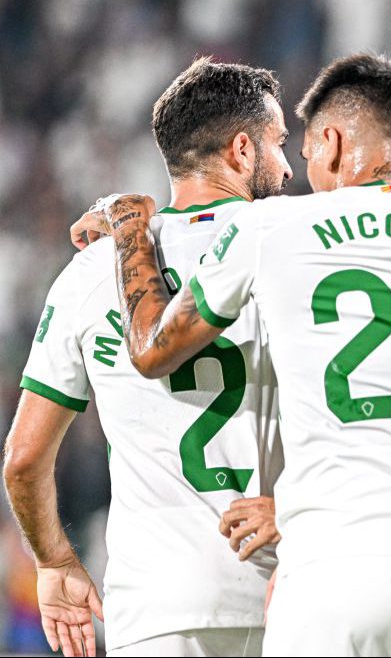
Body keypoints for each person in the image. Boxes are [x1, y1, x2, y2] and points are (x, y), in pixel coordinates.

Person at [96, 54, 391, 656]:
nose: (304, 172)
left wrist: (129, 230)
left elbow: (151, 350)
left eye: (303, 155)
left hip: (334, 568)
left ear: (329, 141)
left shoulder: (272, 226)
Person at [4, 58, 290, 658]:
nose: (288, 167)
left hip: (154, 607)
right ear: (243, 150)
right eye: (280, 144)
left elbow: (23, 460)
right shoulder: (294, 248)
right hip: (288, 588)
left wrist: (54, 561)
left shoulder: (89, 272)